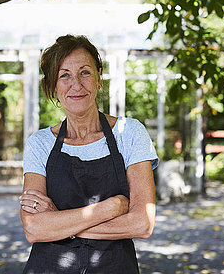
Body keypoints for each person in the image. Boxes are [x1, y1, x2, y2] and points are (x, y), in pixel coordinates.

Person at [19, 34, 159, 273]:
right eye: (64, 75)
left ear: (98, 78)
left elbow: (142, 223)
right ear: (53, 85)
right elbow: (34, 228)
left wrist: (60, 223)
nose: (76, 84)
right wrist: (110, 208)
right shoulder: (40, 143)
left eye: (84, 72)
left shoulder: (130, 133)